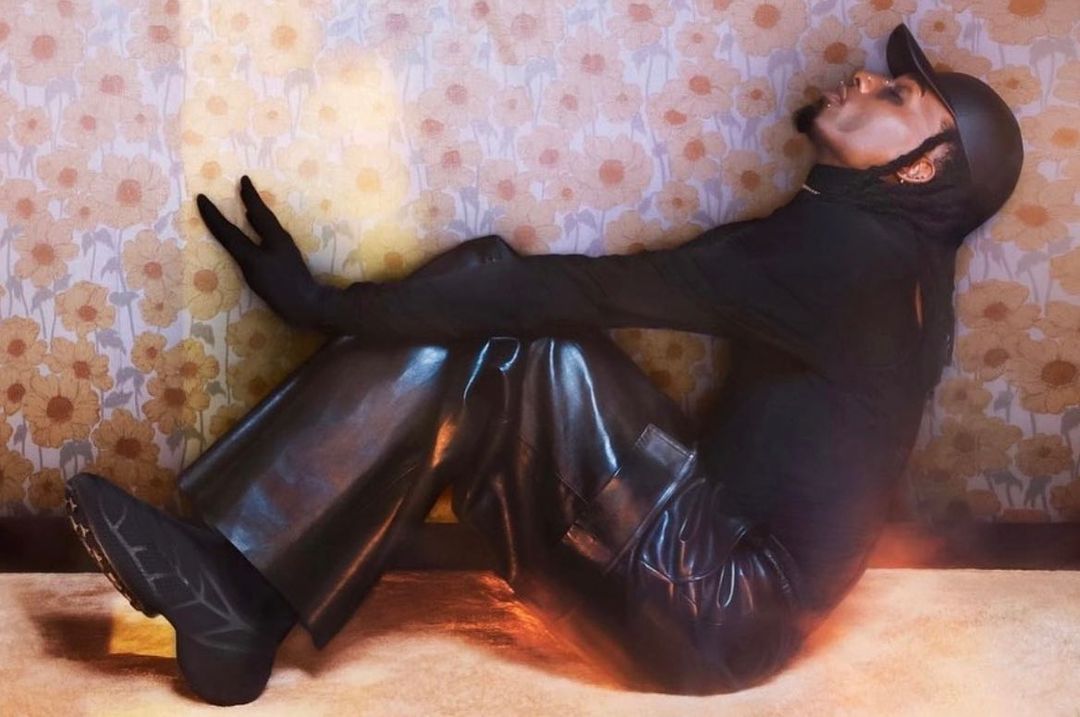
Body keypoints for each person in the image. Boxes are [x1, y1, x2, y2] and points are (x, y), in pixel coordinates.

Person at [64, 24, 1022, 706]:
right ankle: (237, 598)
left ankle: (235, 597)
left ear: (924, 168)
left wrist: (319, 306)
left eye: (899, 97)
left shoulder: (848, 259)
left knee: (508, 316)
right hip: (725, 594)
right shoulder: (895, 267)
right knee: (503, 308)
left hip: (713, 609)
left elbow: (587, 291)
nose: (864, 78)